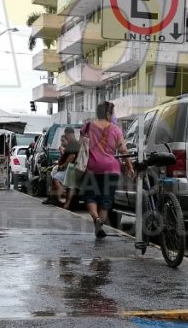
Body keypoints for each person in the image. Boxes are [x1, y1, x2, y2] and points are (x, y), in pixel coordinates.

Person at [79, 101, 133, 239]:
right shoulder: (115, 129)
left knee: (91, 196)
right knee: (106, 199)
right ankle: (100, 225)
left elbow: (81, 146)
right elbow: (123, 150)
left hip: (92, 167)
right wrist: (129, 166)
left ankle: (96, 219)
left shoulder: (88, 126)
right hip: (111, 169)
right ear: (108, 113)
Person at [54, 127, 80, 207]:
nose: (66, 137)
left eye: (66, 135)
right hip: (72, 166)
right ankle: (67, 204)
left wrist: (63, 165)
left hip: (71, 166)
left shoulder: (73, 143)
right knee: (70, 186)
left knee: (56, 178)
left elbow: (72, 156)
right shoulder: (75, 142)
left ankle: (64, 197)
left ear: (69, 133)